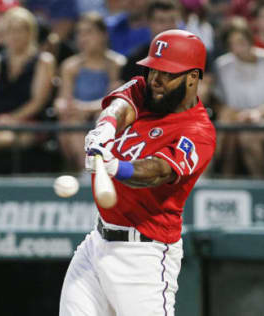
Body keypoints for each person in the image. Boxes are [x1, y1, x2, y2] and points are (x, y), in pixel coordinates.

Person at [59, 29, 216, 315]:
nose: (155, 80)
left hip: (143, 256)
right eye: (153, 69)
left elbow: (158, 171)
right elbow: (121, 106)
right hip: (97, 242)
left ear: (193, 77)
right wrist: (104, 129)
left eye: (167, 74)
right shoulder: (146, 90)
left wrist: (114, 166)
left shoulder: (198, 131)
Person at [0, 6, 55, 150]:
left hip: (29, 122)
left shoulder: (43, 61)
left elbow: (38, 102)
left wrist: (11, 119)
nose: (14, 35)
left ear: (31, 33)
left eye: (20, 30)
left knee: (2, 139)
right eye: (10, 30)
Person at [55, 12, 125, 171]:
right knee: (72, 121)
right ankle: (86, 170)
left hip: (102, 116)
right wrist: (64, 106)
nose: (82, 38)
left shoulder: (116, 64)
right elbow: (63, 98)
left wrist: (86, 108)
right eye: (79, 33)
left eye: (88, 32)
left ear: (103, 35)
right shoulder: (69, 66)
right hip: (76, 117)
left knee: (98, 118)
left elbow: (114, 101)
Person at [215, 17, 264, 178]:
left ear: (250, 39)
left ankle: (261, 185)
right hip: (235, 119)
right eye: (232, 44)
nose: (238, 47)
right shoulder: (222, 66)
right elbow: (221, 102)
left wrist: (257, 114)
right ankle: (220, 180)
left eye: (241, 41)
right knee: (229, 128)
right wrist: (239, 115)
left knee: (244, 134)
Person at [121, 0, 180, 82]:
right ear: (149, 22)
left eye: (172, 20)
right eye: (161, 21)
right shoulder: (135, 61)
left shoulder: (192, 56)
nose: (168, 26)